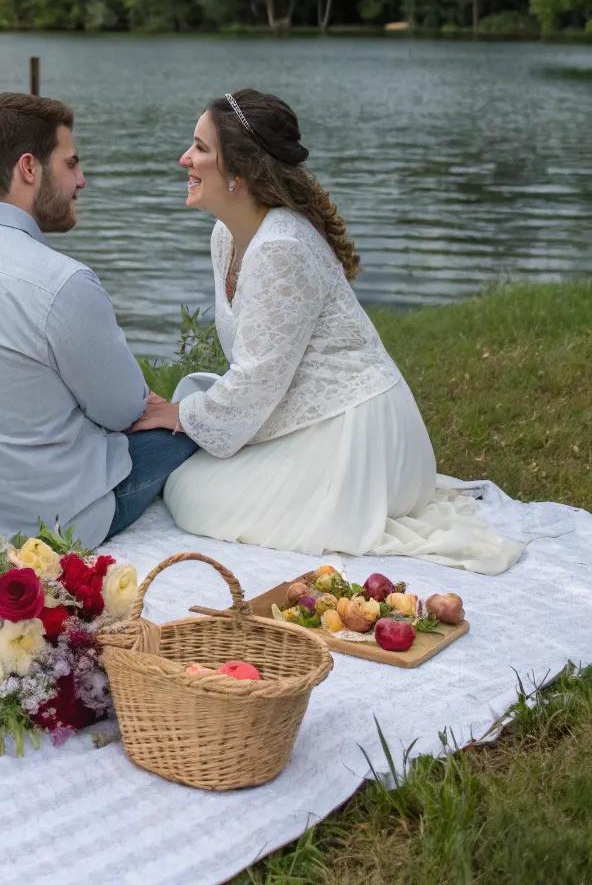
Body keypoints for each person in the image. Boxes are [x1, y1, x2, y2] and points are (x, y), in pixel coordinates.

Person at [132, 88, 525, 573]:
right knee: (191, 473)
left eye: (201, 148)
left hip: (358, 430)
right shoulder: (227, 236)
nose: (184, 158)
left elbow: (256, 383)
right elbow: (261, 373)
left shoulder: (281, 246)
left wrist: (179, 415)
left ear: (240, 172)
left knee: (194, 494)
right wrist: (188, 415)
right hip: (303, 411)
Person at [0, 91, 196, 547]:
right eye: (71, 164)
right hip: (53, 523)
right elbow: (124, 410)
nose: (81, 180)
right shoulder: (62, 283)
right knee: (192, 424)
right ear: (29, 168)